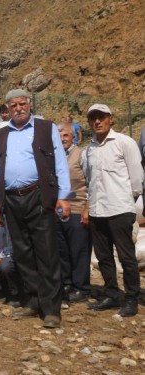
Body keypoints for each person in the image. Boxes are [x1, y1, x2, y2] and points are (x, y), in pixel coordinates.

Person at [0, 89, 72, 329]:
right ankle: (33, 300)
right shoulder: (2, 133)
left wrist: (64, 196)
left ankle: (51, 309)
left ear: (30, 104)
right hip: (12, 199)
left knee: (46, 252)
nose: (18, 108)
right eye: (13, 105)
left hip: (38, 196)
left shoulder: (46, 128)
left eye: (22, 103)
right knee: (23, 253)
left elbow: (60, 163)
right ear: (7, 109)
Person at [82, 104, 143, 317]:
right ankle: (111, 293)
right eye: (93, 118)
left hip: (119, 208)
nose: (97, 122)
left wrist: (128, 201)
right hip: (98, 210)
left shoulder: (125, 143)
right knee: (103, 256)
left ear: (111, 119)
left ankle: (131, 298)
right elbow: (89, 181)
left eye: (101, 117)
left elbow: (137, 178)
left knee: (126, 257)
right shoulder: (89, 149)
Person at [56, 122, 91, 303]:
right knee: (63, 250)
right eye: (59, 136)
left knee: (79, 250)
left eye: (66, 136)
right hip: (59, 210)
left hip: (77, 208)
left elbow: (91, 183)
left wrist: (87, 208)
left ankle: (82, 287)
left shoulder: (82, 155)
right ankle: (67, 282)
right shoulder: (55, 156)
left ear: (73, 137)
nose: (62, 139)